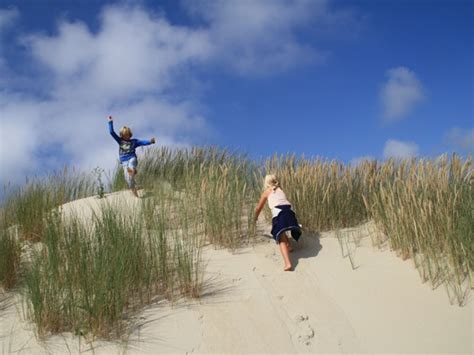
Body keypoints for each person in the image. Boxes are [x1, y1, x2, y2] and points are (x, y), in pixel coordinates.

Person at [254, 174, 302, 271]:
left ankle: (288, 263)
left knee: (280, 237)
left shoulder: (267, 192)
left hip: (279, 213)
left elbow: (258, 208)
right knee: (282, 229)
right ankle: (289, 247)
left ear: (266, 183)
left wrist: (254, 218)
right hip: (290, 211)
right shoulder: (280, 189)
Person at [107, 115, 156, 197]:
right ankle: (136, 194)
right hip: (124, 162)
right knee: (128, 179)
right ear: (121, 135)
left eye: (127, 135)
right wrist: (110, 122)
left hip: (132, 158)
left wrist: (150, 141)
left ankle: (132, 170)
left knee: (132, 163)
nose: (126, 136)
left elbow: (142, 142)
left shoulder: (134, 141)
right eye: (124, 135)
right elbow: (111, 132)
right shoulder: (120, 141)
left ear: (130, 135)